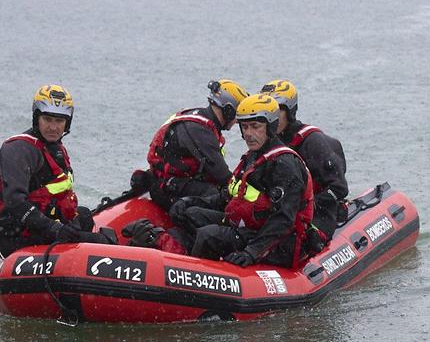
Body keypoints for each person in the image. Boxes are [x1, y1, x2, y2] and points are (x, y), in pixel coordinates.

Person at [0, 84, 116, 256]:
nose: (53, 127)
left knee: (84, 215)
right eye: (47, 119)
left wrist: (60, 226)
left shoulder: (54, 148)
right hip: (19, 237)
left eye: (59, 121)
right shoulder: (19, 150)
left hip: (42, 228)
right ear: (36, 118)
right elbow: (15, 203)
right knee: (101, 241)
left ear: (67, 122)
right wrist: (55, 229)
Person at [188, 93, 313, 268]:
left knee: (209, 235)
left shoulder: (284, 165)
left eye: (255, 127)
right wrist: (192, 202)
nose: (248, 134)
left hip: (282, 243)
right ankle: (182, 260)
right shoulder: (254, 157)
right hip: (252, 226)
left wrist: (252, 252)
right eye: (245, 127)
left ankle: (198, 274)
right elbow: (232, 196)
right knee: (190, 213)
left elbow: (284, 219)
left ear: (270, 127)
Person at [129, 80, 243, 236]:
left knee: (217, 191)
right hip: (166, 187)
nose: (236, 121)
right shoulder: (199, 130)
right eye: (236, 115)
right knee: (216, 195)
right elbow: (223, 175)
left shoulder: (197, 118)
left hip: (167, 181)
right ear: (228, 110)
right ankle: (210, 236)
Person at [260, 78, 349, 246]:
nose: (272, 118)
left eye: (277, 111)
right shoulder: (267, 144)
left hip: (318, 212)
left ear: (289, 112)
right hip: (283, 212)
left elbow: (339, 188)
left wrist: (302, 207)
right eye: (267, 113)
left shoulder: (312, 142)